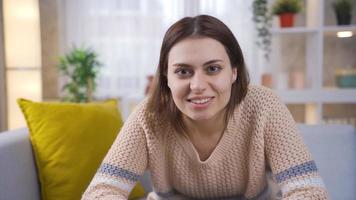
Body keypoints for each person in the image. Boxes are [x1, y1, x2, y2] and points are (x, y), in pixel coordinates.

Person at [82, 15, 329, 200]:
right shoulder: (149, 115)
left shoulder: (264, 105)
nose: (198, 85)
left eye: (213, 69)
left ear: (234, 71)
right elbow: (102, 191)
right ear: (166, 77)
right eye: (183, 71)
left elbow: (309, 191)